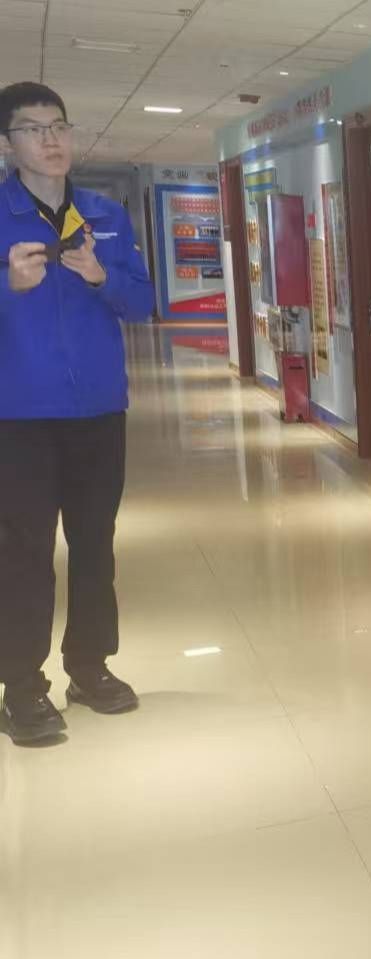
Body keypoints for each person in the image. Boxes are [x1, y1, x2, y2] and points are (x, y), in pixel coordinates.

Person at [0, 82, 155, 746]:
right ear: (8, 144)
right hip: (19, 416)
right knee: (24, 553)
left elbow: (141, 303)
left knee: (95, 543)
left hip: (98, 409)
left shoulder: (103, 213)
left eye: (59, 126)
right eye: (33, 129)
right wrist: (7, 285)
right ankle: (21, 686)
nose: (51, 139)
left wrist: (101, 277)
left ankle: (90, 668)